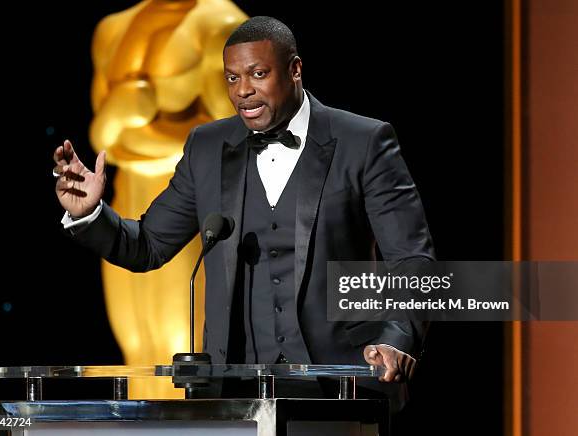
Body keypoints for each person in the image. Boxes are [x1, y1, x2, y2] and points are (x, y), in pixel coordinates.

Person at [53, 16, 434, 410]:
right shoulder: (207, 146)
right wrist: (90, 213)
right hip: (235, 393)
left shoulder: (363, 141)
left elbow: (413, 259)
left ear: (295, 69)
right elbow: (147, 245)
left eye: (258, 73)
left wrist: (396, 337)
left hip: (343, 385)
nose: (244, 91)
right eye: (232, 79)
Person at [87, 0, 247, 399]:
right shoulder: (113, 28)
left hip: (188, 207)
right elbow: (101, 136)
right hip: (129, 201)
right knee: (135, 341)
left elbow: (235, 135)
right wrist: (121, 116)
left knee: (183, 345)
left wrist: (126, 121)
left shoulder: (220, 26)